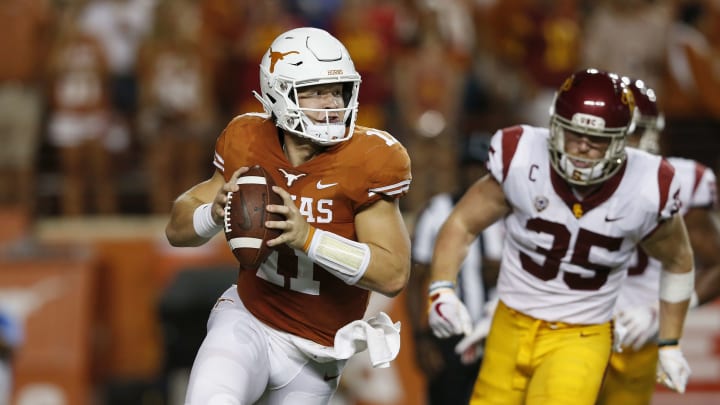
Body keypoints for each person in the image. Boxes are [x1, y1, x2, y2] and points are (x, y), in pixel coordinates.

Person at [165, 27, 412, 404]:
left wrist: (308, 238)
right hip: (248, 320)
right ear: (279, 93)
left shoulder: (370, 159)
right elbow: (176, 227)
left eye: (337, 90)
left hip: (315, 354)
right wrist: (211, 214)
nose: (331, 102)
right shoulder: (247, 139)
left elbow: (393, 273)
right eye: (315, 91)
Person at [426, 68, 694, 404]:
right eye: (574, 134)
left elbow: (679, 260)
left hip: (581, 334)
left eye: (595, 139)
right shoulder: (523, 158)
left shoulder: (647, 186)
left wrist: (669, 341)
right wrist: (441, 290)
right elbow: (463, 223)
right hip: (510, 321)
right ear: (554, 128)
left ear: (620, 140)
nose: (582, 148)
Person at [597, 78, 720, 405]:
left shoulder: (681, 183)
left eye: (633, 131)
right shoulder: (565, 176)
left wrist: (661, 311)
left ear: (655, 133)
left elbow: (717, 264)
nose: (623, 142)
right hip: (571, 324)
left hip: (636, 336)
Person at [406, 132, 504, 405]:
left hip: (496, 331)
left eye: (479, 168)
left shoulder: (508, 211)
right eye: (468, 167)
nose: (473, 175)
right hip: (450, 334)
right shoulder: (438, 210)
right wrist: (421, 340)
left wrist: (503, 271)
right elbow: (417, 280)